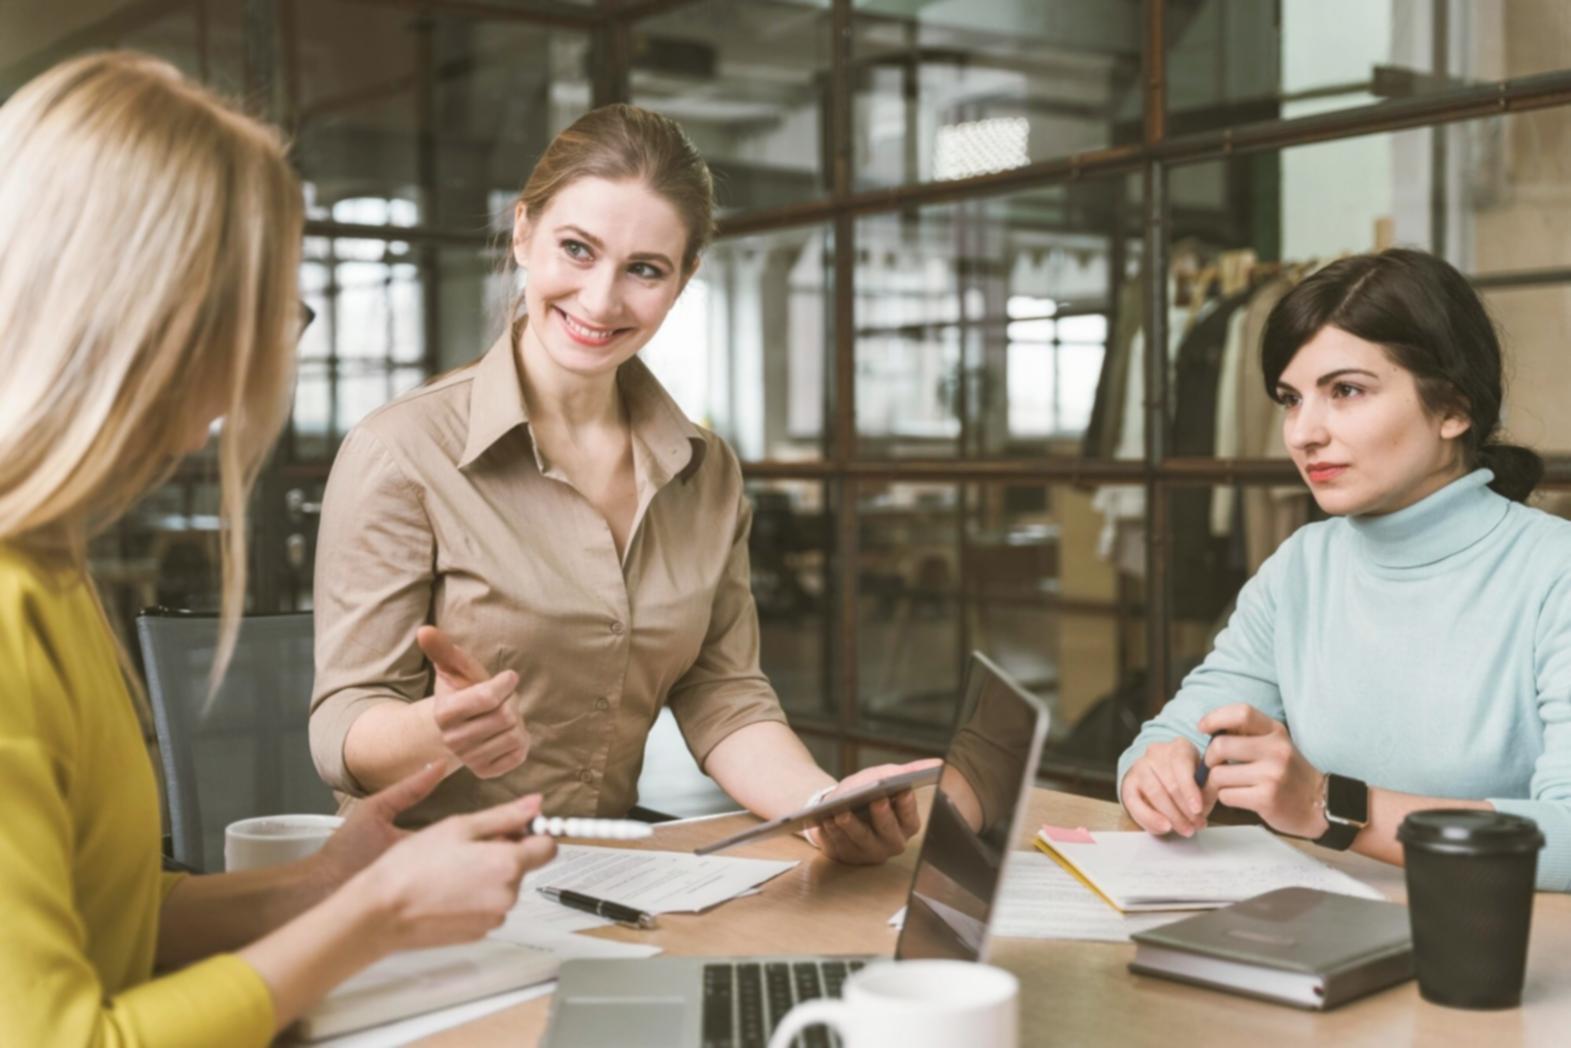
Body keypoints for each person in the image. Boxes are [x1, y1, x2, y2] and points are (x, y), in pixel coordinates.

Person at [0, 53, 556, 1045]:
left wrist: (316, 884)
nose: (272, 354)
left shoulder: (48, 562)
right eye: (266, 309)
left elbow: (109, 922)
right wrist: (373, 917)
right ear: (143, 311)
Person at [308, 103, 931, 864]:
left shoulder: (706, 471)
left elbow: (722, 693)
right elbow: (343, 720)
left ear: (683, 278)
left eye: (643, 269)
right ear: (523, 232)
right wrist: (435, 730)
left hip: (606, 876)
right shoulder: (401, 452)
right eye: (576, 249)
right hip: (418, 879)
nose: (601, 302)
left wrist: (820, 803)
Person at [1118, 248, 1571, 891]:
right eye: (1290, 399)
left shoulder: (1556, 574)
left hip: (1498, 955)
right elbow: (1172, 730)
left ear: (1454, 409)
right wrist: (1158, 765)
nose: (1304, 433)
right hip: (1321, 933)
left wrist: (1330, 806)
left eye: (1346, 392)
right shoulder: (1304, 564)